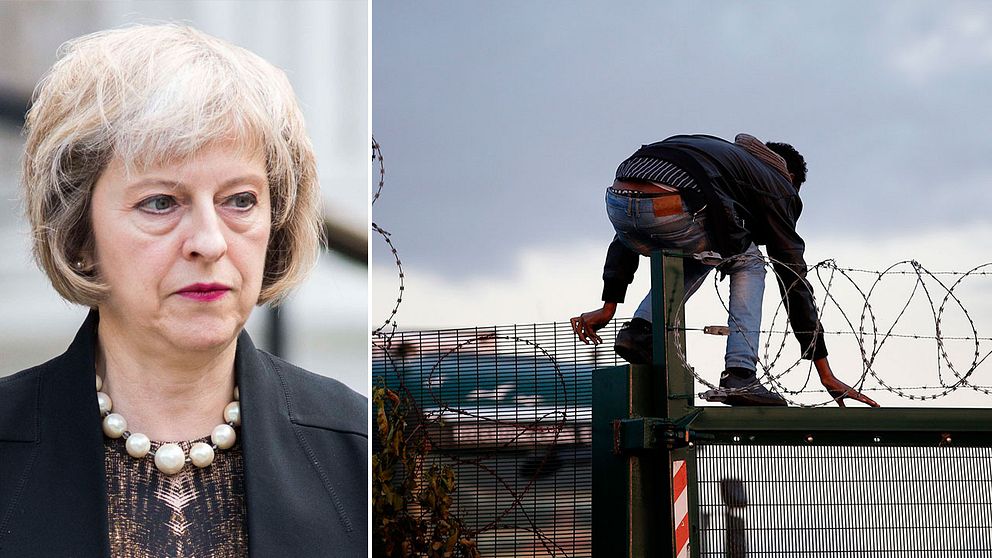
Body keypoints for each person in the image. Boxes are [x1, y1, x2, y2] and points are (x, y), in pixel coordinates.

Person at [0, 25, 366, 557]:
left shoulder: (360, 450)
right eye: (160, 203)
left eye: (240, 200)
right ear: (80, 232)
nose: (210, 242)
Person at [571, 133, 877, 408]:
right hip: (675, 203)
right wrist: (824, 370)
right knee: (750, 261)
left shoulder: (721, 159)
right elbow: (792, 276)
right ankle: (741, 374)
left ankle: (639, 330)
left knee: (703, 251)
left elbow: (628, 233)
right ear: (791, 178)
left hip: (619, 200)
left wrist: (608, 306)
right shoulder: (778, 184)